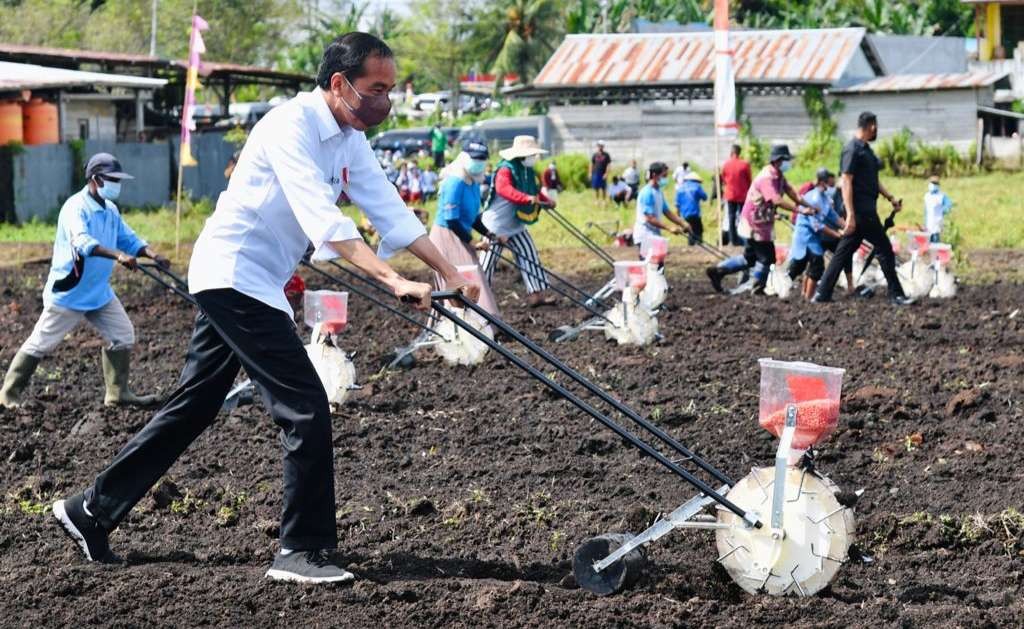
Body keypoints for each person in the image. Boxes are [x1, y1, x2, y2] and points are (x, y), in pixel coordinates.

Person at [50, 32, 480, 584]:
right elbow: (325, 220)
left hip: (255, 283)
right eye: (377, 88)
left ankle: (90, 510)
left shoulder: (348, 137)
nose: (385, 101)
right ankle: (301, 550)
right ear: (340, 84)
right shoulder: (289, 126)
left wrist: (449, 272)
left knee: (194, 406)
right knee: (305, 407)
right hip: (234, 278)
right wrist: (393, 279)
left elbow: (389, 207)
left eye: (391, 90)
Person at [0, 153, 169, 409]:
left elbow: (128, 238)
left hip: (99, 292)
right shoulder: (75, 208)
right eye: (112, 179)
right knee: (41, 343)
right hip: (70, 291)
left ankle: (118, 394)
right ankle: (8, 395)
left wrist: (153, 255)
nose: (117, 185)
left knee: (123, 334)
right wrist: (118, 256)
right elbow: (83, 242)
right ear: (96, 179)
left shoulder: (110, 209)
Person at [813, 111, 911, 305]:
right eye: (876, 127)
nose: (877, 131)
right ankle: (896, 295)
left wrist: (890, 197)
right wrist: (850, 214)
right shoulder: (852, 149)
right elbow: (846, 181)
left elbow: (873, 180)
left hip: (864, 210)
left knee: (842, 252)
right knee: (884, 249)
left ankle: (822, 293)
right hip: (860, 211)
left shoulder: (866, 150)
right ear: (871, 126)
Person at [705, 144, 812, 295]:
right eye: (786, 160)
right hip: (755, 223)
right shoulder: (766, 178)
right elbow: (776, 200)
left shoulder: (779, 176)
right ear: (778, 161)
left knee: (750, 257)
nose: (788, 163)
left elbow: (791, 192)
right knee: (767, 257)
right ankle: (756, 286)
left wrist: (809, 206)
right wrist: (800, 210)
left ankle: (718, 271)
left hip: (762, 221)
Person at [479, 135, 556, 307]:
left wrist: (546, 201)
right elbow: (503, 189)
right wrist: (525, 198)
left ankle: (536, 294)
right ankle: (479, 299)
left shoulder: (527, 171)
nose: (534, 158)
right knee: (488, 263)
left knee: (529, 255)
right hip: (495, 225)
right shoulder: (505, 169)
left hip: (515, 223)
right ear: (522, 155)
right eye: (532, 155)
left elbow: (534, 191)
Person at [429, 141, 499, 315]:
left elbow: (473, 216)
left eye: (482, 159)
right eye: (475, 159)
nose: (479, 162)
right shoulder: (456, 181)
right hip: (447, 235)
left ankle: (484, 323)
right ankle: (474, 323)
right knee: (464, 281)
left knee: (475, 279)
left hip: (461, 233)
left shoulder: (473, 182)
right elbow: (451, 220)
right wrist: (473, 241)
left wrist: (489, 234)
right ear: (465, 158)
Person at [788, 168, 845, 300]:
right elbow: (817, 225)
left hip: (813, 239)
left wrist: (845, 226)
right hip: (805, 237)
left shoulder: (824, 198)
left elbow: (832, 215)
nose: (833, 183)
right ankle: (806, 297)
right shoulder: (813, 198)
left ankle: (807, 295)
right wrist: (836, 235)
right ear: (823, 182)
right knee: (810, 265)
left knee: (811, 266)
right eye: (830, 181)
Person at [633, 162, 687, 251]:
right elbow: (649, 218)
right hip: (645, 235)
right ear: (654, 175)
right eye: (664, 176)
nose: (665, 179)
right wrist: (669, 227)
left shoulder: (658, 192)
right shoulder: (647, 192)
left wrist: (682, 223)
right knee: (652, 264)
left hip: (653, 235)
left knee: (658, 264)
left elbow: (666, 211)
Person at [817, 169, 855, 293]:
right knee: (814, 259)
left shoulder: (845, 194)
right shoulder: (831, 194)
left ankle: (850, 285)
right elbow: (830, 214)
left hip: (837, 232)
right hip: (825, 233)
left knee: (846, 256)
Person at [721, 144, 752, 246]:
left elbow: (724, 178)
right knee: (743, 217)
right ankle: (743, 239)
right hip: (742, 195)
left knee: (731, 217)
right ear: (739, 152)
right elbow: (749, 180)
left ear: (732, 152)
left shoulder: (726, 164)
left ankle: (733, 240)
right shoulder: (745, 164)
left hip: (730, 195)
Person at [675, 171, 708, 246]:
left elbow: (677, 204)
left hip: (685, 214)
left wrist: (678, 217)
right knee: (698, 230)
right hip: (695, 213)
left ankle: (691, 246)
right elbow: (705, 197)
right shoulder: (697, 186)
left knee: (690, 230)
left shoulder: (680, 188)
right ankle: (699, 246)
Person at [924, 175, 953, 242]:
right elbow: (926, 210)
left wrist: (943, 211)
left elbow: (949, 205)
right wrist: (924, 222)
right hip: (928, 223)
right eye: (931, 183)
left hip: (937, 223)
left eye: (934, 183)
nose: (932, 185)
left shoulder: (941, 196)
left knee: (936, 242)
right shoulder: (927, 196)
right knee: (928, 243)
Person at [589, 141, 611, 205]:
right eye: (599, 145)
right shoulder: (595, 155)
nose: (600, 147)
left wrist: (606, 173)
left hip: (603, 174)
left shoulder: (606, 155)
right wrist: (590, 173)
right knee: (596, 188)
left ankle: (604, 200)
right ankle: (597, 200)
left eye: (601, 145)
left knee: (603, 188)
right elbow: (591, 164)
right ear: (597, 146)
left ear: (603, 146)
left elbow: (608, 165)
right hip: (595, 173)